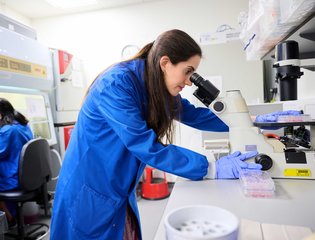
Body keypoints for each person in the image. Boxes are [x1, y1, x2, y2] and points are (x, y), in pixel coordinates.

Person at [50, 29, 262, 240]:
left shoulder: (156, 87)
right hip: (89, 191)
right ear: (165, 63)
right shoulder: (116, 85)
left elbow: (196, 116)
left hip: (118, 190)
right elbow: (146, 146)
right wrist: (210, 167)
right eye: (187, 71)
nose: (189, 81)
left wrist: (252, 122)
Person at [0, 98, 33, 226]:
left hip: (12, 180)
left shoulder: (7, 131)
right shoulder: (22, 125)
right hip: (27, 177)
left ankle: (8, 219)